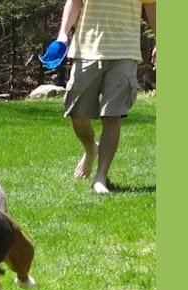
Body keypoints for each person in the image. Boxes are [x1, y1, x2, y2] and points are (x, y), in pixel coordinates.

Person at [55, 0, 156, 194]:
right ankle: (90, 148)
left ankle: (100, 177)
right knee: (78, 114)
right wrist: (62, 34)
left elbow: (152, 8)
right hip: (86, 50)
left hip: (124, 52)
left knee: (113, 115)